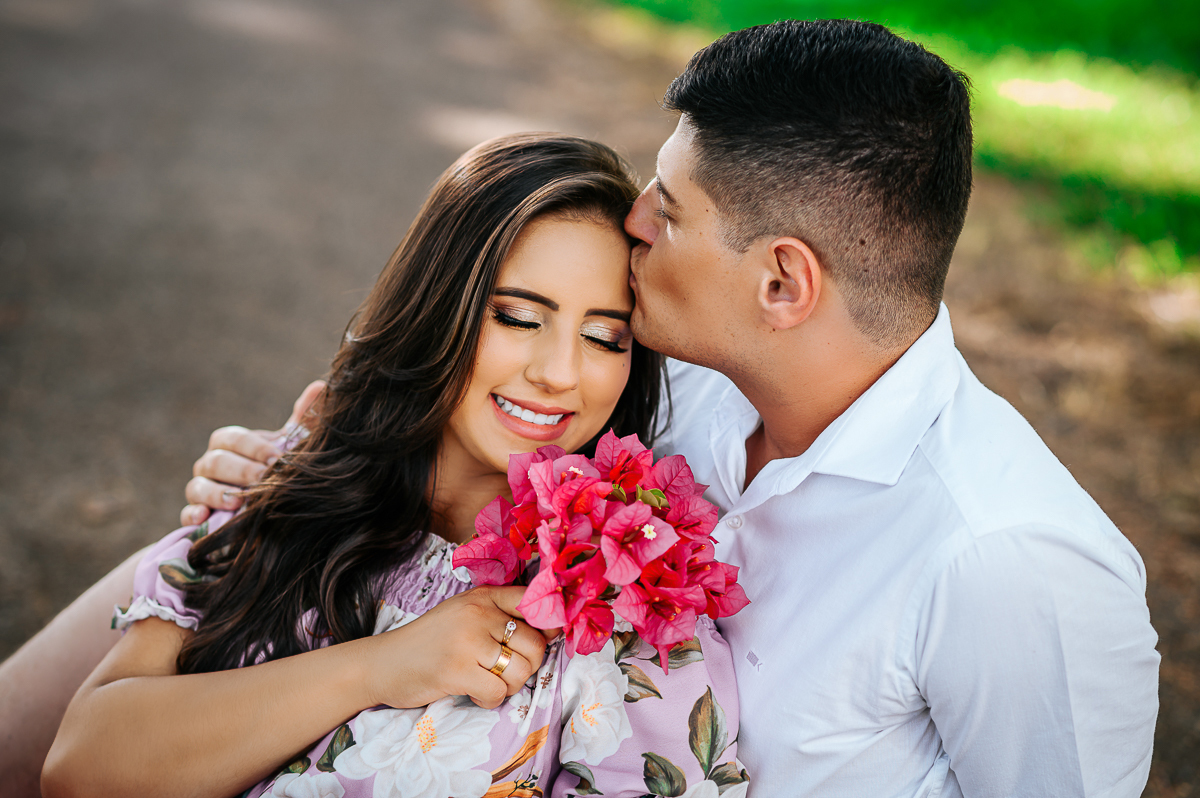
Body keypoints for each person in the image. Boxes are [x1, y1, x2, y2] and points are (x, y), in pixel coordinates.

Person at [4, 18, 1158, 797]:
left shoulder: (1010, 558)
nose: (636, 226)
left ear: (783, 284)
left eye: (668, 206)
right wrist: (297, 459)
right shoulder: (683, 377)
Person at [39, 133, 749, 798]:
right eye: (517, 318)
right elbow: (81, 769)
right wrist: (382, 666)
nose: (561, 373)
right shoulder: (288, 482)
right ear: (438, 307)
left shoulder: (629, 613)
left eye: (603, 337)